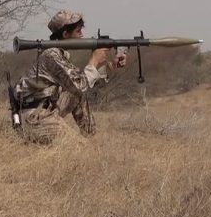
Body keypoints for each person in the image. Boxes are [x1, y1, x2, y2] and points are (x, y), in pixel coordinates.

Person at [13, 10, 127, 144]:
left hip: (45, 109)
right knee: (79, 148)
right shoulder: (51, 55)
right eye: (78, 31)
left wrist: (110, 67)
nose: (82, 35)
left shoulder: (58, 54)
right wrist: (94, 61)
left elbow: (81, 84)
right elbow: (80, 85)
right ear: (66, 34)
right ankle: (84, 145)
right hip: (33, 116)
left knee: (78, 95)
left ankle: (92, 137)